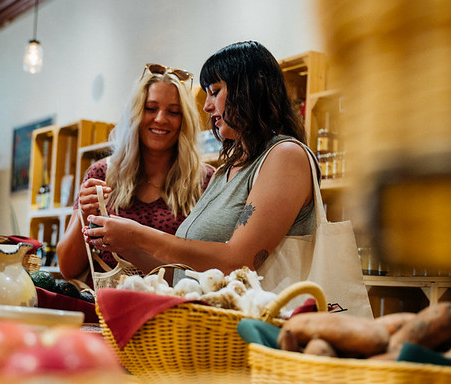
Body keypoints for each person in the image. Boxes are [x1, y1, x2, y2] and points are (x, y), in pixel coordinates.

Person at [84, 40, 319, 278]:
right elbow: (182, 277)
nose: (206, 106)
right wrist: (127, 247)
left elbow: (239, 261)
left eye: (215, 92)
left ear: (250, 89)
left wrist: (140, 236)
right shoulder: (224, 172)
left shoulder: (285, 155)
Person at [56, 63, 215, 281]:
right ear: (135, 114)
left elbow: (211, 268)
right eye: (150, 108)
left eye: (173, 112)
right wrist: (84, 213)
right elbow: (68, 268)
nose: (160, 118)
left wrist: (134, 243)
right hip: (105, 310)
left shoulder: (205, 181)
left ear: (184, 121)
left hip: (176, 311)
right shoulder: (102, 173)